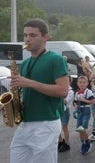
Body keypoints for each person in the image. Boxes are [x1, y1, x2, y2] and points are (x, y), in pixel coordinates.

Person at [9, 18, 69, 163]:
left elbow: (63, 91)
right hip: (26, 122)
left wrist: (29, 83)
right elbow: (25, 90)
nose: (27, 39)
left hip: (46, 123)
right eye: (25, 35)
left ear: (45, 37)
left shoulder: (56, 59)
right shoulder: (25, 63)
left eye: (32, 35)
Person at [73, 76, 95, 155]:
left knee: (82, 128)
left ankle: (87, 142)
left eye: (84, 82)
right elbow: (74, 101)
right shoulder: (77, 93)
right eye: (80, 82)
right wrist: (75, 105)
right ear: (77, 84)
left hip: (86, 111)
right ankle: (83, 143)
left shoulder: (88, 92)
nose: (82, 84)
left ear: (87, 83)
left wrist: (84, 100)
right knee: (79, 129)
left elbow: (93, 101)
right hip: (79, 111)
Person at [58, 75, 74, 152]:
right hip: (58, 109)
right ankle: (60, 141)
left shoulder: (70, 91)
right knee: (57, 128)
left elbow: (65, 101)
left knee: (64, 127)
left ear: (70, 82)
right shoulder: (61, 89)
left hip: (65, 110)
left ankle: (67, 144)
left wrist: (58, 94)